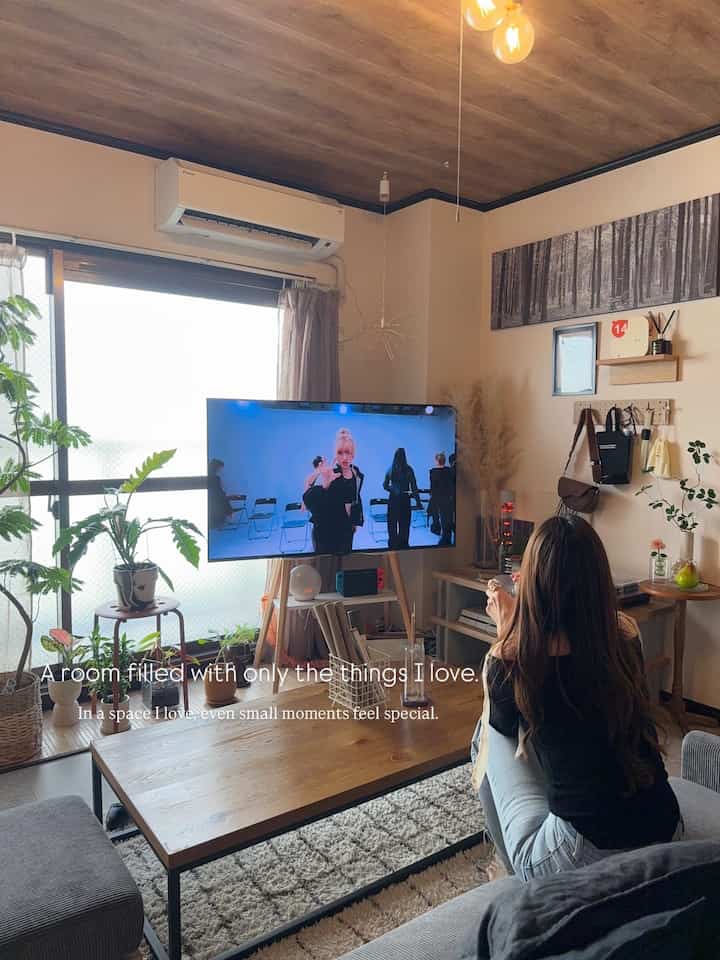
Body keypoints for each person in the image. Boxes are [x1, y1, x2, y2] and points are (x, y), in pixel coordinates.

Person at [471, 515, 681, 881]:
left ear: (529, 584)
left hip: (583, 856)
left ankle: (513, 877)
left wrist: (506, 634)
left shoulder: (509, 662)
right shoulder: (627, 637)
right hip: (666, 830)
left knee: (489, 737)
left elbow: (503, 723)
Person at [302, 429, 364, 554]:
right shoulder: (331, 472)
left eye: (348, 452)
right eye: (340, 453)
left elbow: (356, 498)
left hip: (346, 531)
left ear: (353, 454)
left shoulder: (357, 474)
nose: (344, 457)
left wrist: (355, 522)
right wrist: (325, 484)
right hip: (326, 533)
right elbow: (309, 492)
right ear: (335, 454)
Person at [383, 447, 421, 550]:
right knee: (404, 525)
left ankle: (392, 545)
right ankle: (403, 546)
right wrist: (418, 502)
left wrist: (393, 489)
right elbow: (414, 487)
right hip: (405, 500)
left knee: (392, 524)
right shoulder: (409, 469)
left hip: (393, 500)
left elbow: (385, 485)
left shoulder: (390, 469)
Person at [207, 458, 245, 530]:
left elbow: (219, 492)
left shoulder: (212, 477)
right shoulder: (215, 478)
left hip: (214, 503)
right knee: (224, 501)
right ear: (216, 467)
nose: (220, 471)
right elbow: (219, 494)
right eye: (220, 469)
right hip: (216, 505)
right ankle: (227, 515)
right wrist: (229, 509)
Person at [428, 452, 454, 546]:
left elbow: (433, 488)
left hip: (438, 499)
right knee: (447, 520)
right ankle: (447, 539)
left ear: (436, 461)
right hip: (448, 499)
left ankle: (443, 539)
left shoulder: (433, 472)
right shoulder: (450, 471)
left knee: (440, 520)